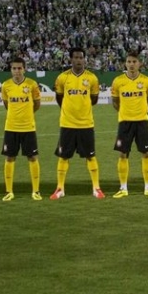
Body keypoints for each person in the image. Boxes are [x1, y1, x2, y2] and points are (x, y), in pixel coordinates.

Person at [50, 47, 105, 199]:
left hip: (86, 124)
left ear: (84, 59)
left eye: (81, 57)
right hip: (67, 124)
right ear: (71, 59)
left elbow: (93, 99)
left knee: (91, 156)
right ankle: (60, 188)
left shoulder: (92, 78)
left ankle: (96, 188)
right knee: (63, 157)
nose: (79, 60)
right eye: (76, 57)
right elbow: (59, 97)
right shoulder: (62, 78)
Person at [110, 51, 148, 198]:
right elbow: (115, 102)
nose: (131, 64)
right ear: (125, 63)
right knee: (123, 154)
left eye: (134, 62)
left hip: (142, 122)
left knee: (146, 153)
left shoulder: (146, 81)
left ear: (139, 63)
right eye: (129, 61)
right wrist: (125, 113)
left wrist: (142, 113)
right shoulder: (118, 81)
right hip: (125, 122)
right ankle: (123, 188)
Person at [0, 57, 42, 201]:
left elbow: (37, 104)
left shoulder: (31, 84)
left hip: (28, 127)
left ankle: (36, 190)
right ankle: (9, 191)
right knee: (10, 157)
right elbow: (7, 104)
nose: (17, 71)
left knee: (32, 157)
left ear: (24, 69)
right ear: (11, 70)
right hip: (11, 127)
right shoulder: (6, 86)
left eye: (19, 68)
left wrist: (27, 116)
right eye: (14, 68)